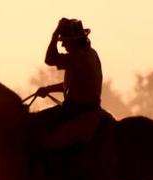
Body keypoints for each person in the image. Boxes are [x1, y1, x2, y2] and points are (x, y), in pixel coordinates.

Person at [33, 18, 108, 147]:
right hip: (91, 108)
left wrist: (55, 34)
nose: (63, 45)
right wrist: (48, 89)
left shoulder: (77, 57)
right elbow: (75, 85)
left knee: (37, 124)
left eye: (65, 41)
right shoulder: (91, 54)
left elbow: (49, 59)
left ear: (73, 42)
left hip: (75, 110)